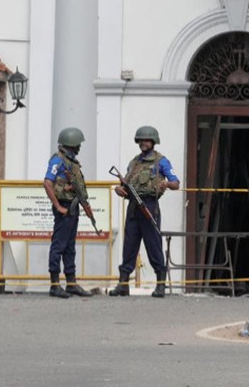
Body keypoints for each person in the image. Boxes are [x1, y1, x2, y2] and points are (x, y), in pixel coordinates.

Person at [110, 125, 180, 298]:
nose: (143, 143)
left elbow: (176, 183)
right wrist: (119, 190)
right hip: (133, 207)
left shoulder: (161, 161)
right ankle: (123, 284)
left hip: (149, 206)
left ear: (153, 142)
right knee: (129, 245)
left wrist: (166, 184)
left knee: (153, 244)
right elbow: (125, 184)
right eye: (141, 140)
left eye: (146, 140)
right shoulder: (134, 163)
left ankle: (160, 285)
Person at [42, 127, 93, 298]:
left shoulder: (72, 162)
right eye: (78, 144)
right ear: (71, 144)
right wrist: (58, 206)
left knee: (70, 246)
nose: (79, 147)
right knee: (59, 245)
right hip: (64, 207)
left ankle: (71, 282)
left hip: (73, 207)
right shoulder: (58, 160)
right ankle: (55, 284)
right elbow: (47, 183)